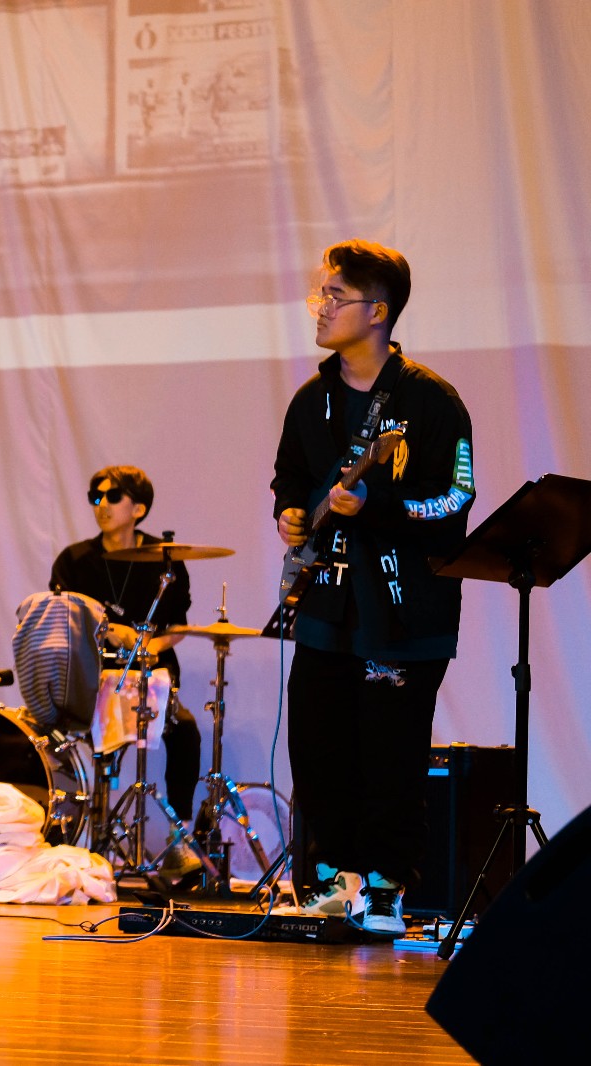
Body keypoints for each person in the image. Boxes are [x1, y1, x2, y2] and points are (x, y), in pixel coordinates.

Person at [272, 241, 474, 937]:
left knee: (391, 755)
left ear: (378, 311)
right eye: (320, 295)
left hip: (403, 609)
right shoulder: (312, 400)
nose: (320, 307)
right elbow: (291, 479)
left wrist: (379, 506)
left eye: (335, 296)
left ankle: (386, 889)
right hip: (326, 602)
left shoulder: (431, 401)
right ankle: (334, 882)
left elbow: (456, 498)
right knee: (317, 748)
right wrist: (290, 513)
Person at [48, 465, 203, 877]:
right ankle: (82, 833)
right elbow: (61, 619)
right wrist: (106, 631)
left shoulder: (165, 560)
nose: (101, 505)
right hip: (93, 680)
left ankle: (181, 836)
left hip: (150, 678)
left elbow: (178, 625)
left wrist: (151, 646)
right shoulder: (75, 561)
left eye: (112, 497)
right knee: (62, 732)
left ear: (138, 508)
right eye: (95, 497)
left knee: (185, 731)